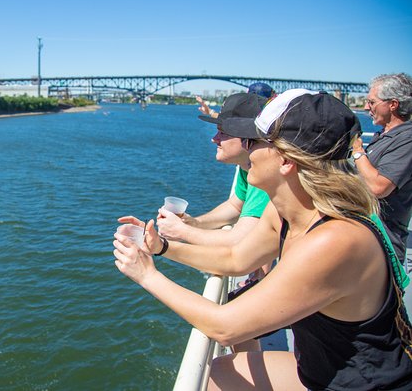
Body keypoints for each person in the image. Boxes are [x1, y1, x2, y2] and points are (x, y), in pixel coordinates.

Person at [114, 89, 412, 390]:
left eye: (253, 141)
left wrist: (146, 275)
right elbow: (236, 259)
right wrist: (161, 247)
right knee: (217, 372)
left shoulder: (335, 241)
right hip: (320, 369)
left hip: (366, 385)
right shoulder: (284, 213)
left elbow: (225, 327)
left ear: (286, 160)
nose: (246, 148)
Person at [129, 92, 269, 249]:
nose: (214, 138)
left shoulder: (265, 177)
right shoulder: (247, 167)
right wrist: (195, 223)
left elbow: (240, 241)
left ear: (248, 137)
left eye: (223, 132)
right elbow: (235, 206)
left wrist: (181, 233)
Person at [352, 73, 412, 264]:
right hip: (364, 237)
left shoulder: (407, 139)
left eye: (372, 102)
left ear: (393, 104)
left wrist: (358, 151)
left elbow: (378, 187)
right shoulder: (384, 136)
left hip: (383, 245)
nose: (366, 107)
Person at [196, 82, 274, 118]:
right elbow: (226, 120)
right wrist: (209, 111)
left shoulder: (247, 117)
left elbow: (227, 121)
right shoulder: (275, 117)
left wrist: (209, 111)